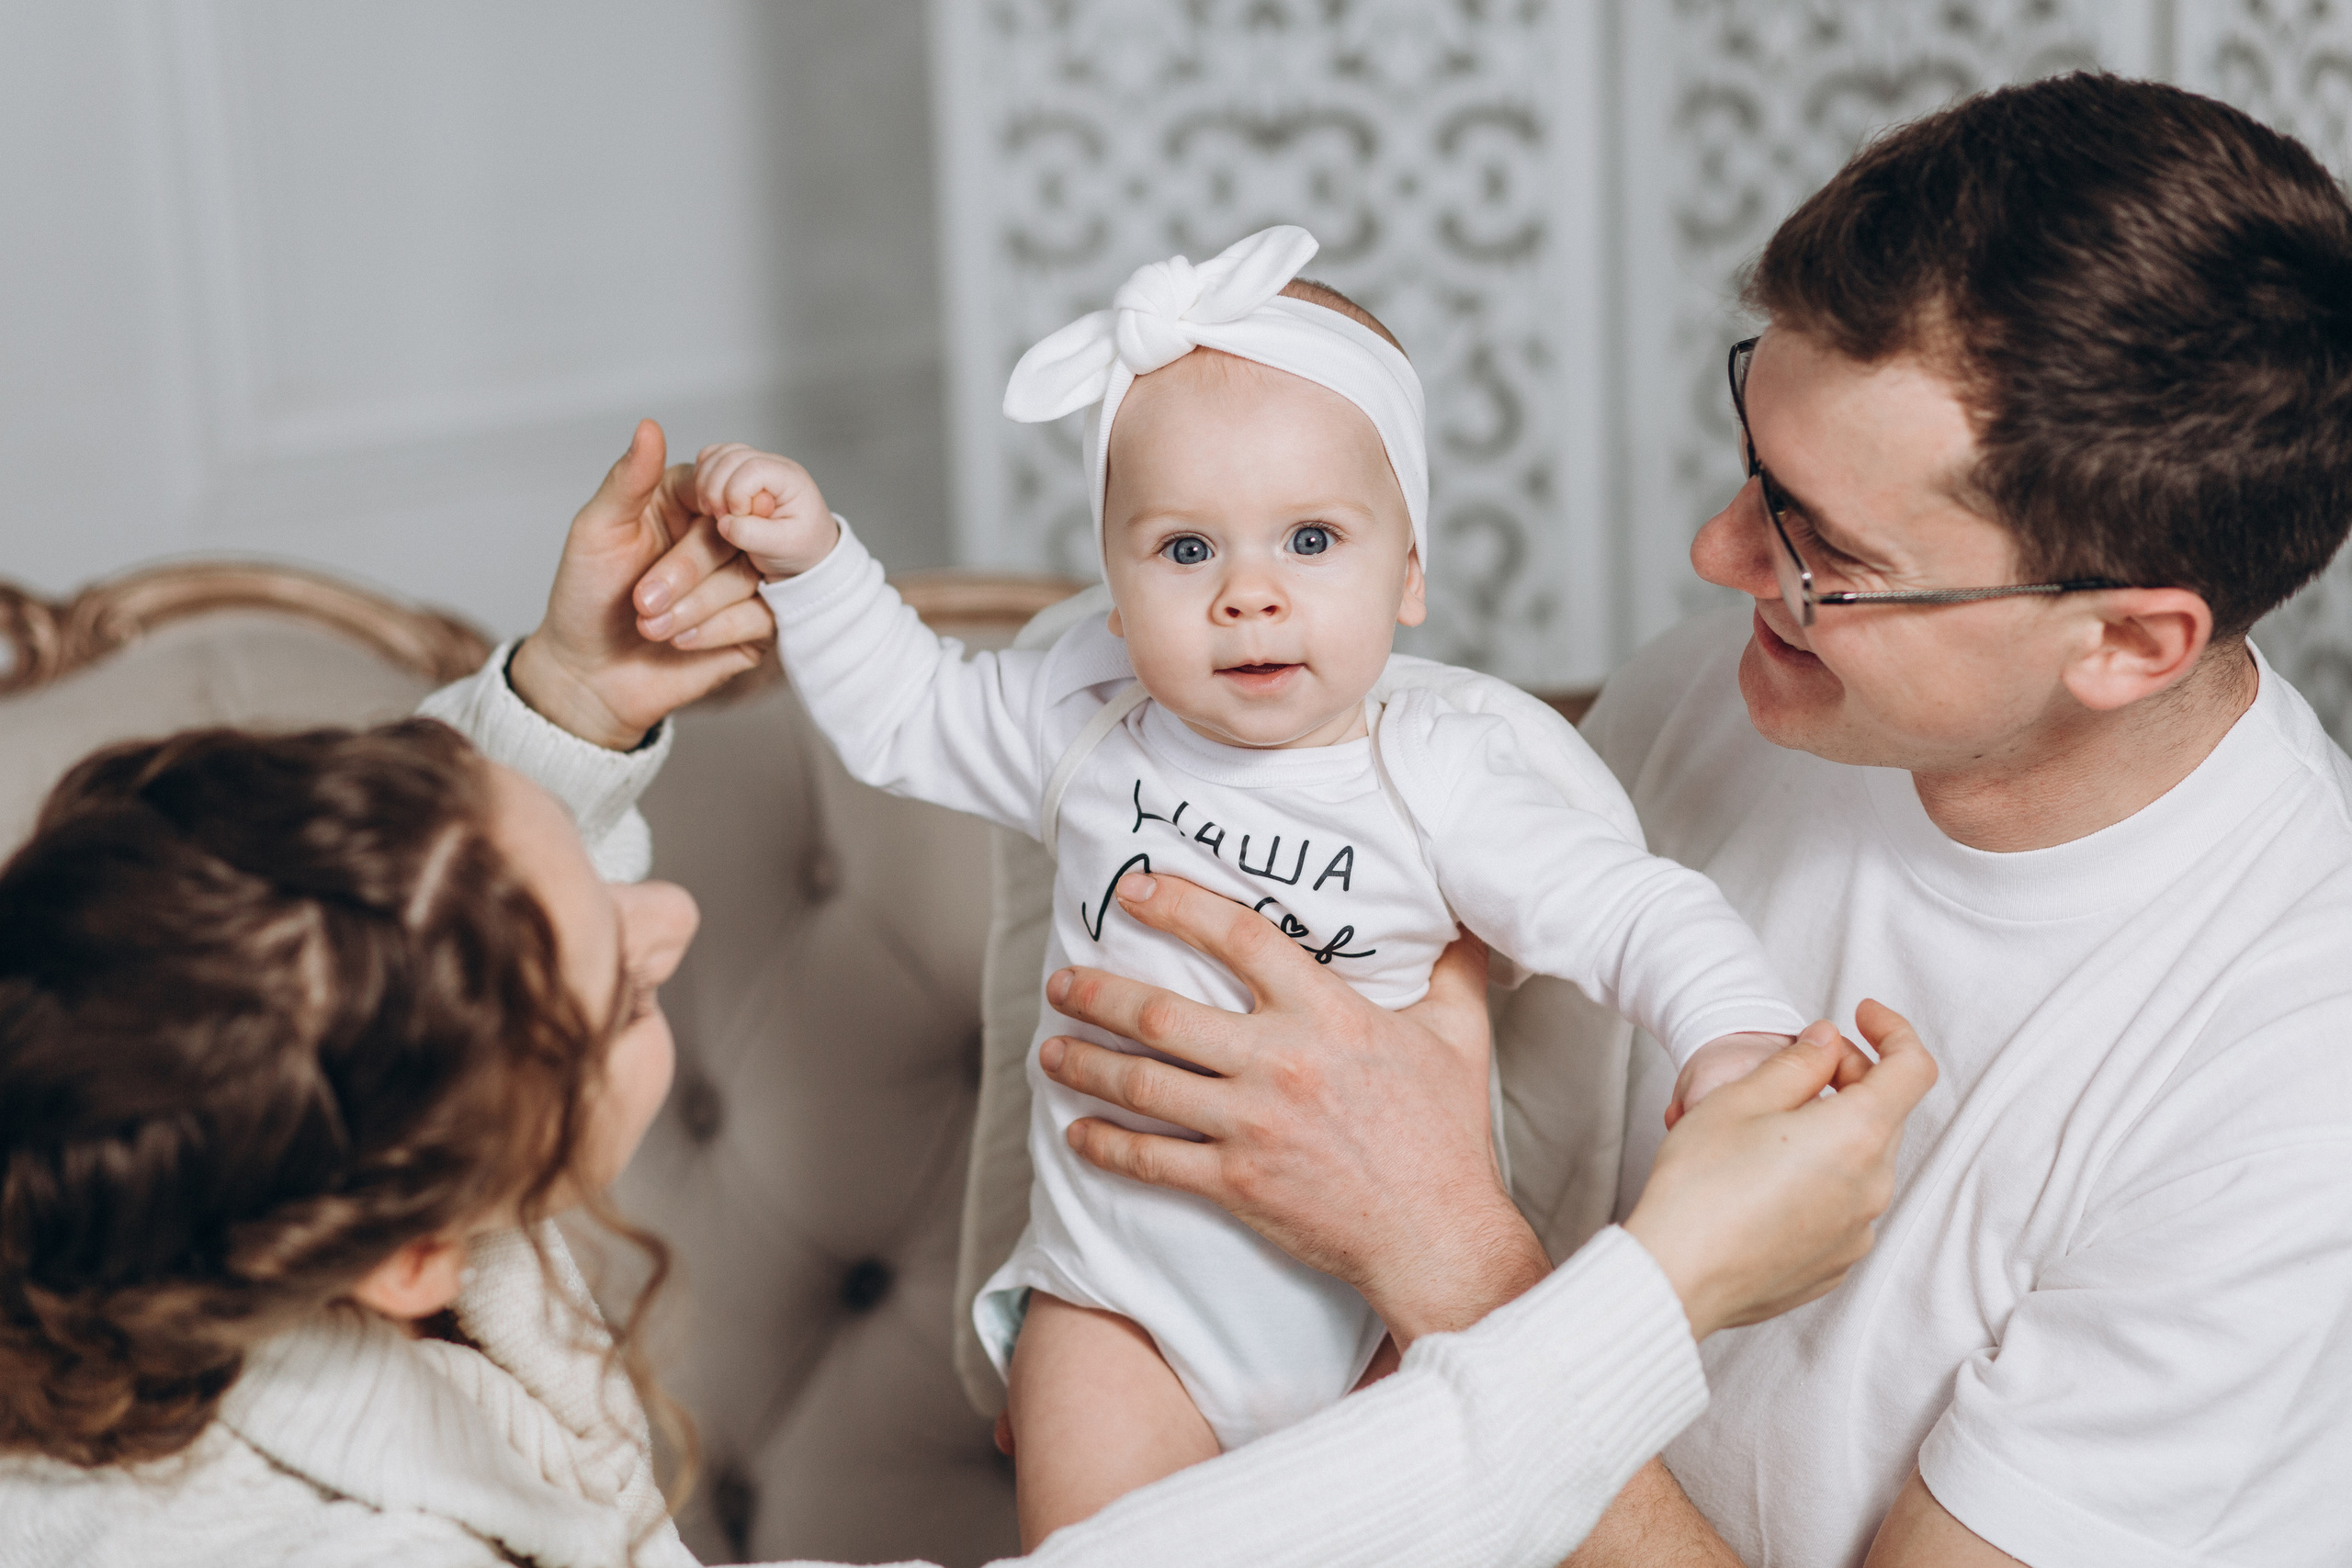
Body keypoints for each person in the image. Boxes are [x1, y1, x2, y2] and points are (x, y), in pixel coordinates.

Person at [0, 423, 1935, 1567]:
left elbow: (305, 947)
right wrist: (1650, 1292)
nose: (663, 915)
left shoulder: (161, 1142)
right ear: (415, 1246)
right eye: (605, 992)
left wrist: (559, 713)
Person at [1008, 73, 2352, 1568]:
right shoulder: (1753, 694)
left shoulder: (2287, 1099)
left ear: (2128, 644)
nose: (1718, 555)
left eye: (1818, 546)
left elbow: (1425, 1196)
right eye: (1755, 471)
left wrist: (1443, 1257)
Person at [687, 223, 1807, 1543]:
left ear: (1410, 576)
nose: (1250, 597)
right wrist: (814, 564)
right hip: (1123, 1313)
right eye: (1185, 551)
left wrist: (1736, 1036)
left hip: (1387, 1314)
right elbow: (903, 713)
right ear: (1114, 589)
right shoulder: (1081, 725)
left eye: (1313, 540)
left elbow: (1634, 909)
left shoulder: (1441, 776)